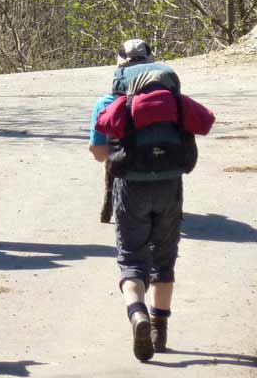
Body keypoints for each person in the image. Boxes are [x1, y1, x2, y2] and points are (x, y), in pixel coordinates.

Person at [88, 39, 182, 362]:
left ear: (119, 69)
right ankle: (159, 330)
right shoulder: (169, 97)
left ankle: (137, 313)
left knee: (132, 261)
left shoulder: (107, 102)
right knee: (164, 260)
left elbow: (100, 153)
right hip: (170, 185)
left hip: (129, 188)